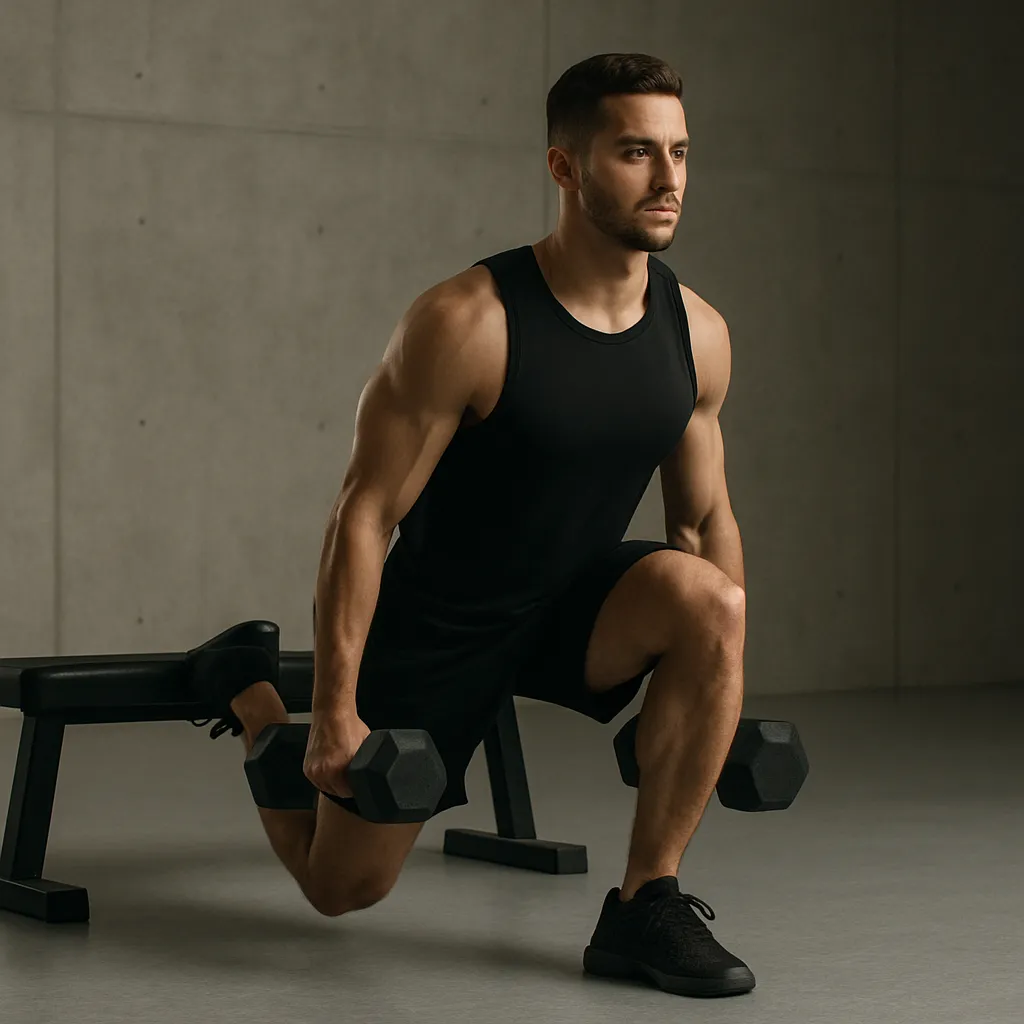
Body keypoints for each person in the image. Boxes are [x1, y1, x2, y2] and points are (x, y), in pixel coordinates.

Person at [192, 52, 753, 999]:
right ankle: (251, 702)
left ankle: (645, 903)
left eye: (680, 153)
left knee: (710, 600)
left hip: (576, 606)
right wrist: (333, 714)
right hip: (445, 622)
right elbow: (363, 517)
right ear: (565, 168)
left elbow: (700, 525)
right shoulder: (469, 320)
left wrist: (729, 692)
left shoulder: (697, 333)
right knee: (342, 891)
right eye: (634, 152)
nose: (667, 180)